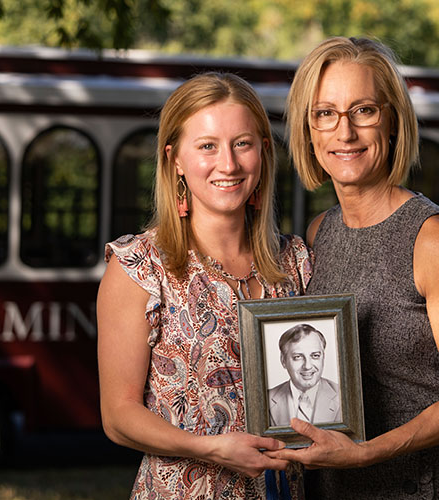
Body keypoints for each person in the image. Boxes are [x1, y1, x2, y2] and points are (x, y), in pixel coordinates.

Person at [267, 36, 439, 499]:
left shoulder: (435, 240)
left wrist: (366, 453)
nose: (345, 132)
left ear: (391, 121)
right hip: (338, 488)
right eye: (325, 114)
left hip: (428, 487)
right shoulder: (320, 233)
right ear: (309, 130)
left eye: (364, 111)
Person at [97, 72, 313, 499]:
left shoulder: (297, 262)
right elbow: (118, 416)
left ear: (264, 153)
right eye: (207, 146)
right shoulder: (140, 267)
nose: (228, 164)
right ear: (175, 158)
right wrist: (211, 449)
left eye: (243, 144)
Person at [268, 324, 340, 427]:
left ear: (323, 357)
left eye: (315, 356)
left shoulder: (344, 396)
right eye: (298, 357)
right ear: (283, 361)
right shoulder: (265, 400)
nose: (307, 366)